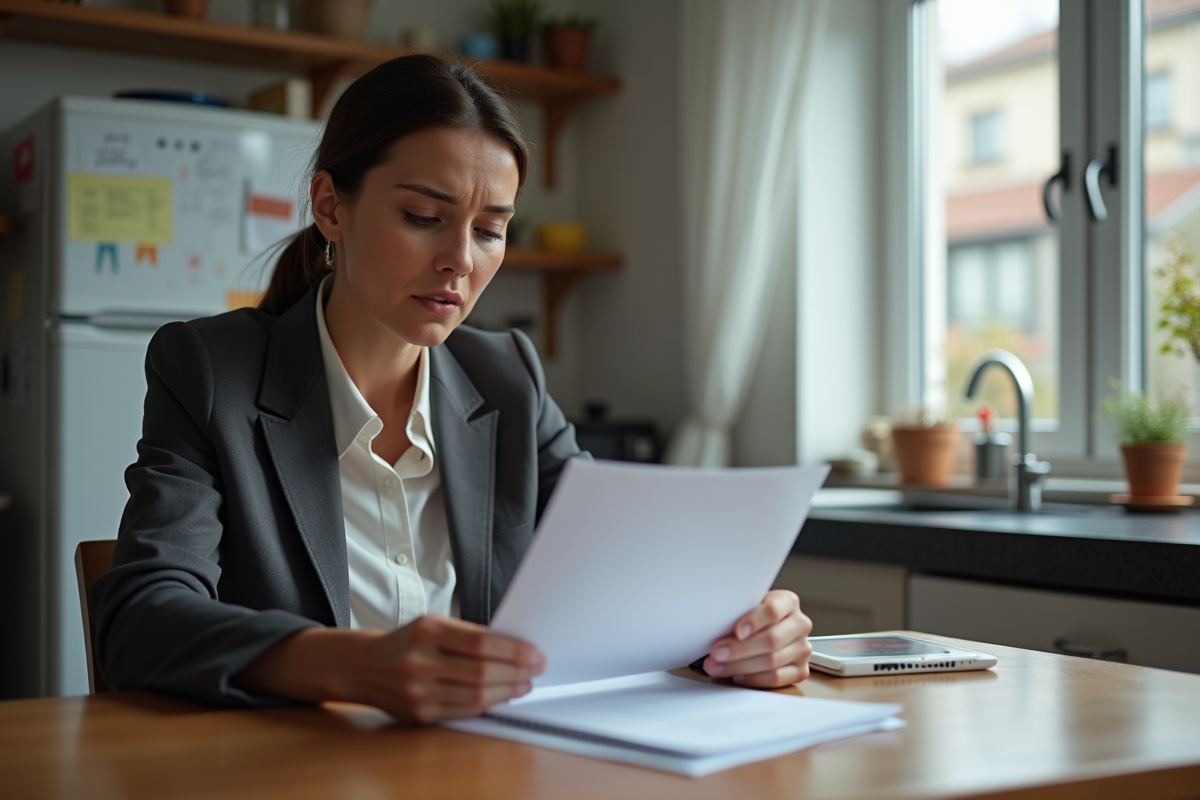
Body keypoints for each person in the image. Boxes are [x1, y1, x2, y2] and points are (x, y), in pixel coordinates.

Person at [91, 54, 814, 724]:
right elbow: (140, 620)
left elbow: (624, 580)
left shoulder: (508, 379)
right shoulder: (213, 372)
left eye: (491, 231)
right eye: (423, 218)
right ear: (331, 207)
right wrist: (353, 666)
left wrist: (740, 631)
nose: (459, 262)